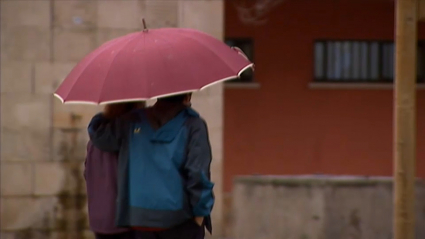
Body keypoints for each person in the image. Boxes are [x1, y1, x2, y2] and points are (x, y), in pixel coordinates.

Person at [88, 93, 214, 239]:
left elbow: (101, 135)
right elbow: (198, 174)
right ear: (187, 97)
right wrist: (200, 215)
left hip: (141, 218)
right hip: (180, 220)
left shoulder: (134, 120)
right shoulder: (194, 125)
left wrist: (101, 116)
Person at [85, 102, 144, 239]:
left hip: (99, 219)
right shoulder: (131, 138)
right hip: (125, 219)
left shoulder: (94, 139)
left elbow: (87, 173)